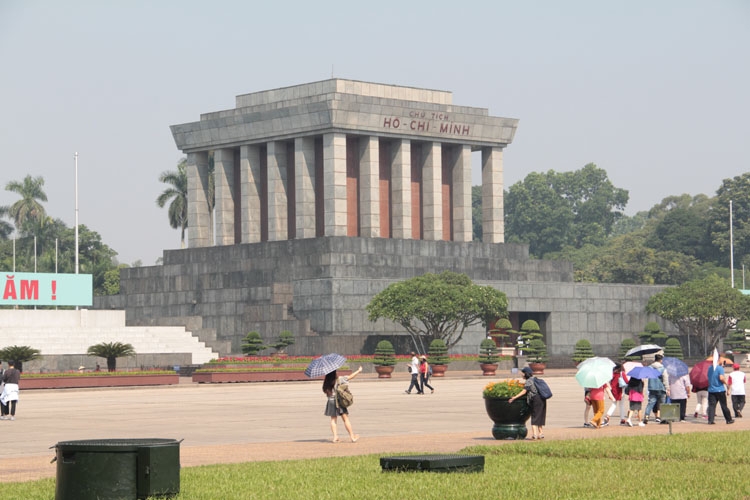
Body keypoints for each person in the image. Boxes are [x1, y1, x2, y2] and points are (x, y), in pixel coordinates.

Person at [322, 366, 362, 443]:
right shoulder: (339, 379)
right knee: (345, 419)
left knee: (333, 420)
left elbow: (325, 391)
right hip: (339, 402)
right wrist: (358, 371)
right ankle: (352, 437)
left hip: (330, 402)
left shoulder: (326, 382)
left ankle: (335, 437)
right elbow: (350, 377)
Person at [508, 366, 547, 439]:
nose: (521, 374)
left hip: (535, 399)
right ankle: (541, 433)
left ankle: (535, 434)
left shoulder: (529, 381)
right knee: (540, 415)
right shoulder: (535, 379)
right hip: (542, 399)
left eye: (522, 373)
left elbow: (524, 391)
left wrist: (514, 397)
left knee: (535, 416)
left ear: (525, 374)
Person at [644, 354, 669, 424]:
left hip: (652, 388)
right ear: (661, 360)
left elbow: (646, 376)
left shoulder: (649, 368)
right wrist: (667, 388)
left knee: (650, 403)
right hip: (661, 388)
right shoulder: (663, 368)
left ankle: (646, 416)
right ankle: (663, 418)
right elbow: (665, 379)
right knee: (662, 404)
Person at [706, 360, 734, 425]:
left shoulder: (710, 368)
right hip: (720, 390)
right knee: (724, 405)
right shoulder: (720, 368)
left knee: (712, 406)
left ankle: (710, 420)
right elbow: (721, 378)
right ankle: (728, 419)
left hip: (711, 390)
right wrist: (726, 383)